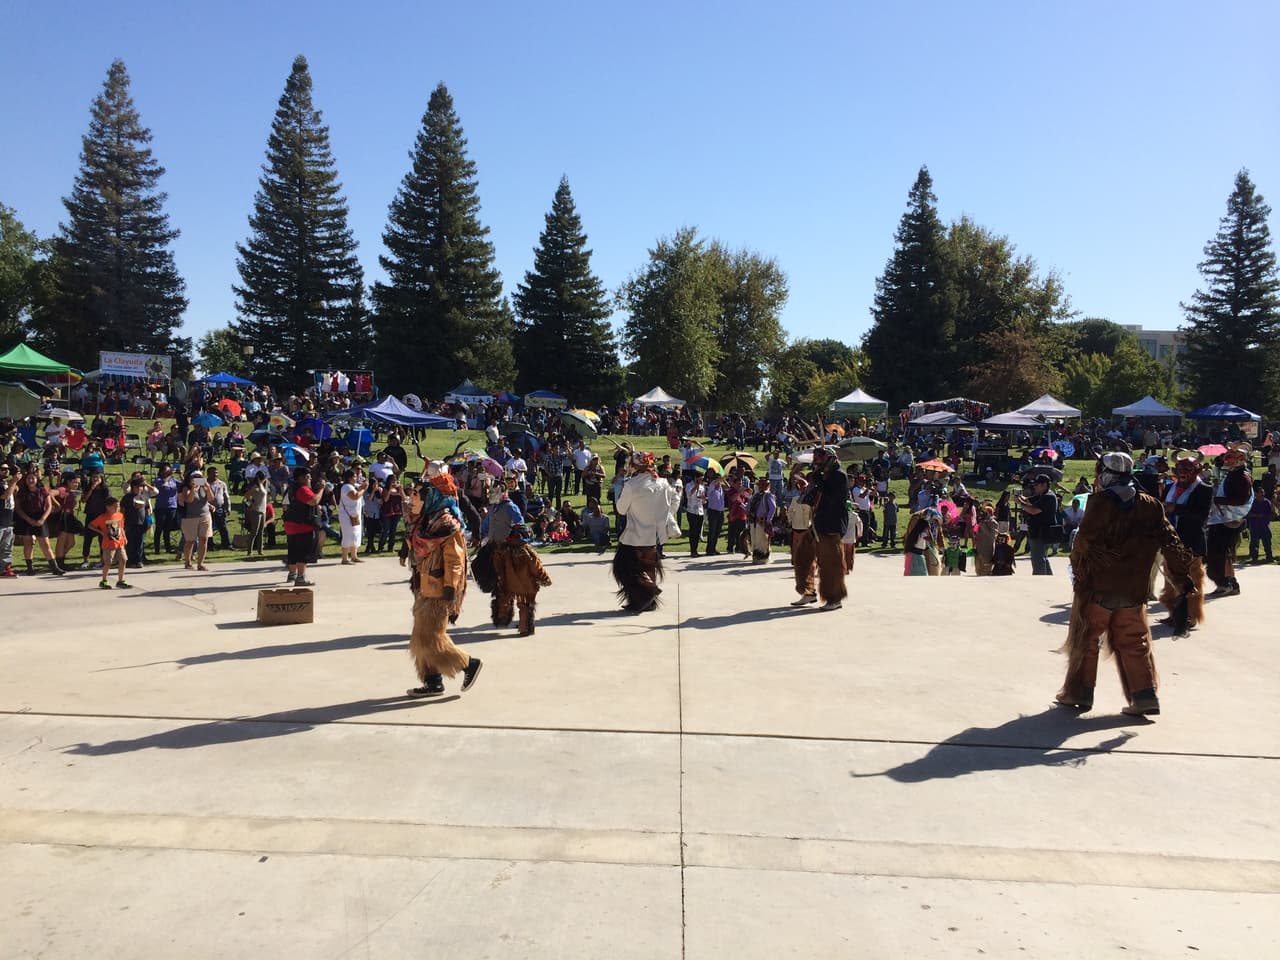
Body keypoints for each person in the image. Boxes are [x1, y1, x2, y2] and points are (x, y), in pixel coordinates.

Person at [1056, 452, 1200, 716]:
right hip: (1134, 591)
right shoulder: (1151, 505)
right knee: (1135, 642)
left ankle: (1079, 693)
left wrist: (1079, 575)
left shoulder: (1100, 503)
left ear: (1104, 475)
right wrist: (1181, 579)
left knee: (1087, 639)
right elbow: (1173, 544)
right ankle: (1144, 696)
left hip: (1098, 589)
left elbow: (1083, 543)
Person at [403, 478, 482, 697]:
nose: (412, 498)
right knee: (420, 638)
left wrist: (451, 587)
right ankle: (432, 681)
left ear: (431, 497)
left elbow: (455, 559)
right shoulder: (424, 521)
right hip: (423, 585)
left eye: (417, 494)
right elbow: (417, 547)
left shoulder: (447, 524)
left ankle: (468, 663)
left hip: (439, 589)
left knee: (431, 638)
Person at [612, 451, 673, 613]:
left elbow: (621, 509)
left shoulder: (632, 485)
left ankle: (648, 592)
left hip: (634, 535)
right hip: (653, 534)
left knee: (623, 568)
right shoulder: (662, 483)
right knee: (649, 566)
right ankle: (647, 601)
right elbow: (671, 503)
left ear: (636, 466)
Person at [799, 447, 849, 610]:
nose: (817, 465)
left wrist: (819, 480)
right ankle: (808, 591)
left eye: (819, 462)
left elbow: (833, 496)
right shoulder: (825, 476)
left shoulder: (839, 476)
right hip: (818, 522)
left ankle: (834, 598)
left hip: (831, 525)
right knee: (802, 555)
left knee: (830, 563)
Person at [1204, 444, 1254, 597]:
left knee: (1222, 553)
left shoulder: (1242, 477)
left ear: (1240, 459)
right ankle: (1227, 583)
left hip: (1228, 520)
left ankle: (1227, 583)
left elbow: (1241, 499)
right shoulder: (1233, 475)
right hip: (1222, 519)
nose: (1227, 460)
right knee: (1221, 553)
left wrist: (1219, 499)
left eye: (1231, 458)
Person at [491, 520, 553, 636]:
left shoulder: (503, 550)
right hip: (527, 584)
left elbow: (496, 564)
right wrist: (544, 578)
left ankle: (502, 617)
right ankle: (525, 627)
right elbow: (536, 567)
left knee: (505, 599)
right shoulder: (528, 551)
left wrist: (499, 577)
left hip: (510, 583)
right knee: (525, 605)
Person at [14, 469, 64, 576]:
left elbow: (49, 506)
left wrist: (42, 519)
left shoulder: (43, 491)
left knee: (45, 544)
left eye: (33, 478)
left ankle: (54, 567)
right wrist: (28, 520)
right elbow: (18, 509)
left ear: (37, 479)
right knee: (28, 543)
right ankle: (30, 568)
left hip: (40, 517)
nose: (31, 480)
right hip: (26, 518)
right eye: (28, 478)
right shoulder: (22, 492)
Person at [283, 467, 320, 586]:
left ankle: (292, 574)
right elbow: (313, 500)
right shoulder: (302, 488)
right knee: (302, 553)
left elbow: (285, 505)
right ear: (301, 478)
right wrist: (321, 490)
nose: (310, 480)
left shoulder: (291, 488)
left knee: (293, 551)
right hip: (302, 525)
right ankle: (300, 577)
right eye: (308, 477)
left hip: (291, 523)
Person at [1019, 473, 1058, 575]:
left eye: (1037, 485)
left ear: (1044, 485)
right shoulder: (1043, 495)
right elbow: (1028, 500)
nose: (1034, 487)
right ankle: (1049, 580)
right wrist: (1020, 498)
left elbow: (1034, 510)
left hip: (1041, 533)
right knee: (1043, 558)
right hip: (1040, 532)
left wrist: (1021, 504)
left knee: (1038, 560)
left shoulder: (1048, 496)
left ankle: (1040, 582)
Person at [89, 496, 130, 590]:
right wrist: (101, 532)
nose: (117, 508)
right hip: (108, 544)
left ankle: (121, 580)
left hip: (119, 542)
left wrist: (125, 537)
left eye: (118, 506)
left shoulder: (120, 515)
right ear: (108, 507)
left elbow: (121, 527)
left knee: (123, 560)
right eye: (115, 506)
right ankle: (103, 580)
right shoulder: (103, 517)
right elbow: (91, 525)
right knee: (108, 562)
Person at [786, 475, 816, 605]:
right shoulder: (795, 499)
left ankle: (809, 591)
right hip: (796, 531)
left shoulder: (812, 502)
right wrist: (790, 522)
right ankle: (808, 592)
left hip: (807, 533)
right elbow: (790, 513)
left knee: (807, 564)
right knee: (799, 563)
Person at [178, 470, 214, 571]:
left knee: (204, 539)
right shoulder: (186, 488)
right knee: (190, 541)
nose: (198, 480)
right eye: (195, 477)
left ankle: (200, 563)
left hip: (205, 516)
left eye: (200, 478)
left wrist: (208, 488)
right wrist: (193, 489)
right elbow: (189, 500)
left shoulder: (204, 487)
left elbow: (211, 499)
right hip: (190, 517)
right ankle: (188, 562)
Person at [338, 467, 367, 564]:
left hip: (355, 515)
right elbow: (354, 496)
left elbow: (359, 488)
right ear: (349, 478)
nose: (356, 478)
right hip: (347, 516)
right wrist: (363, 489)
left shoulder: (354, 486)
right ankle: (345, 558)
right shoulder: (346, 487)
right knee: (348, 535)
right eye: (354, 476)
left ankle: (354, 556)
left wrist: (363, 486)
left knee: (356, 535)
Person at [747, 476, 777, 564]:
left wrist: (768, 520)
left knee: (762, 540)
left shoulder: (769, 495)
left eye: (764, 484)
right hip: (754, 521)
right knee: (755, 539)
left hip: (762, 521)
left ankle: (763, 558)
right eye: (760, 484)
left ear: (768, 485)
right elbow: (749, 506)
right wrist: (746, 509)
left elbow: (773, 508)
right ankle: (756, 557)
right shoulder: (756, 495)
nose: (761, 486)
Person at [1245, 488, 1275, 563]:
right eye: (1260, 492)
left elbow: (1272, 513)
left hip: (1265, 526)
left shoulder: (1267, 502)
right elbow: (1247, 513)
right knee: (1254, 543)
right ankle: (1254, 558)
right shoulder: (1252, 502)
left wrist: (1271, 513)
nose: (1262, 494)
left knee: (1267, 542)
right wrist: (1256, 515)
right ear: (1256, 493)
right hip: (1255, 526)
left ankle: (1269, 557)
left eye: (1263, 492)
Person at [206, 466, 232, 550]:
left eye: (216, 473)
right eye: (213, 473)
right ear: (208, 474)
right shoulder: (204, 483)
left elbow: (226, 496)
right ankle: (210, 545)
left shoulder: (222, 484)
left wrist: (228, 508)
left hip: (220, 508)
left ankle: (226, 544)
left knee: (223, 527)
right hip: (207, 509)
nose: (215, 475)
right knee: (209, 528)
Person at [243, 473, 268, 558]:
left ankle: (260, 550)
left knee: (261, 531)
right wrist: (251, 502)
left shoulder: (263, 486)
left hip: (263, 510)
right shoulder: (255, 487)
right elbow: (246, 496)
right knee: (254, 531)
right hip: (255, 510)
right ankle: (249, 551)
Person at [684, 473, 707, 557]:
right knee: (693, 531)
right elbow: (689, 495)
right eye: (700, 479)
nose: (701, 480)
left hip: (700, 511)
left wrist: (704, 499)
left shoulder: (702, 487)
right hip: (691, 511)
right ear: (695, 478)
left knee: (697, 532)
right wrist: (696, 486)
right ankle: (692, 550)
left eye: (702, 479)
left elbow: (703, 500)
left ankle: (695, 550)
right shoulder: (689, 485)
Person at [0, 464, 16, 577]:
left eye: (7, 469)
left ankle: (4, 569)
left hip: (8, 519)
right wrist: (14, 482)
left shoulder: (7, 483)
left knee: (7, 547)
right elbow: (4, 496)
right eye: (3, 469)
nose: (6, 471)